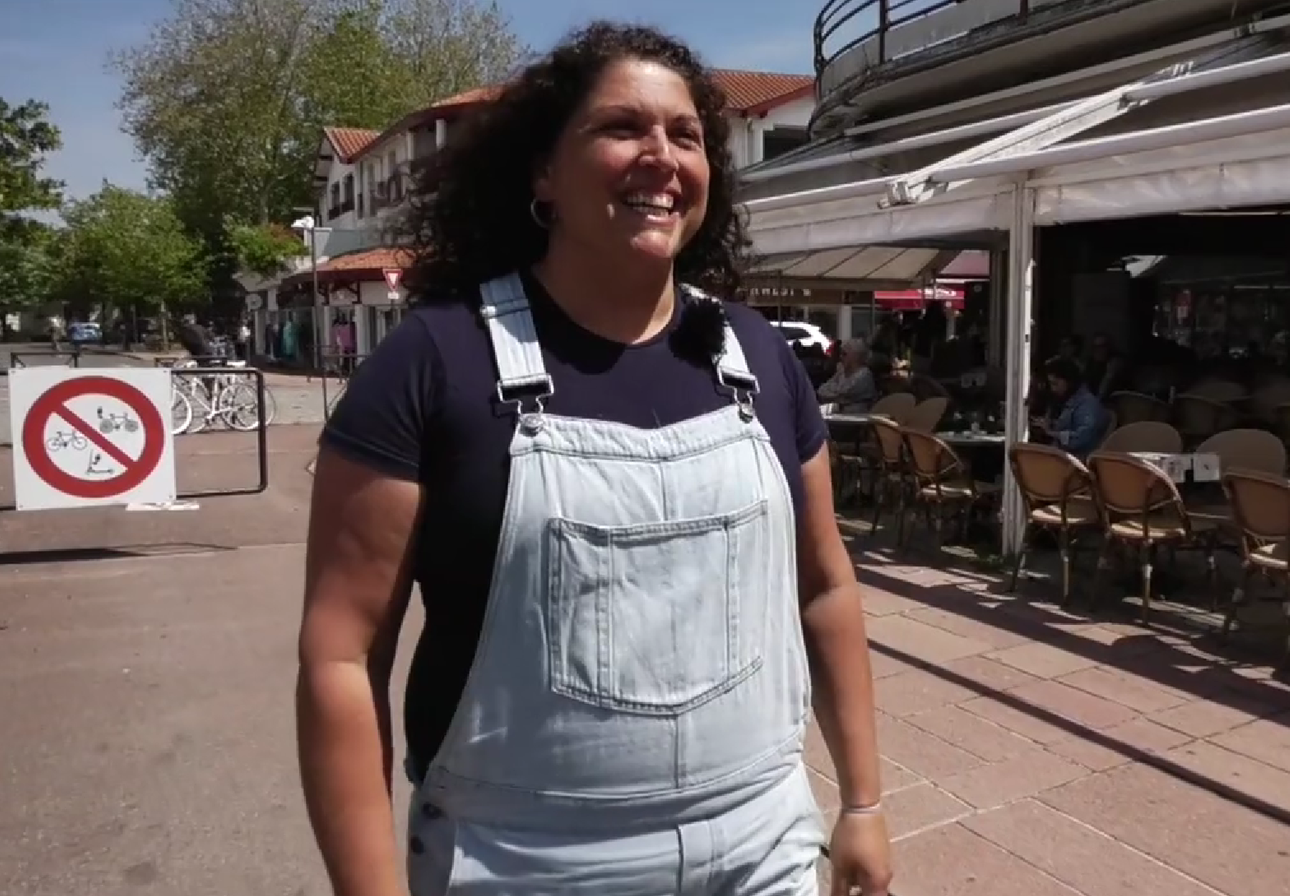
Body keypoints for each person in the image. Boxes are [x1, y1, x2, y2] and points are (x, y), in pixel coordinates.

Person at [295, 22, 891, 896]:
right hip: (522, 862)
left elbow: (824, 586)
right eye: (622, 128)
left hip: (764, 847)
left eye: (687, 135)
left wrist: (865, 805)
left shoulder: (759, 357)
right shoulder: (433, 362)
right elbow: (340, 658)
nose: (663, 156)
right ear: (542, 172)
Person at [1033, 357, 1110, 456]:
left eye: (1055, 384)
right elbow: (1067, 425)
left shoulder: (1088, 404)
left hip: (1074, 461)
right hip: (1059, 454)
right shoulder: (1069, 400)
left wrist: (1050, 432)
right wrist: (1049, 424)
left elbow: (1082, 438)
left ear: (1069, 381)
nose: (1053, 389)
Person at [816, 338, 878, 412]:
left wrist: (834, 394)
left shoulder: (864, 375)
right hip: (838, 414)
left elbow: (845, 393)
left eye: (844, 354)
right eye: (841, 353)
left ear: (855, 356)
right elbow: (822, 390)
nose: (840, 357)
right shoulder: (841, 373)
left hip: (856, 418)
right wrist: (837, 396)